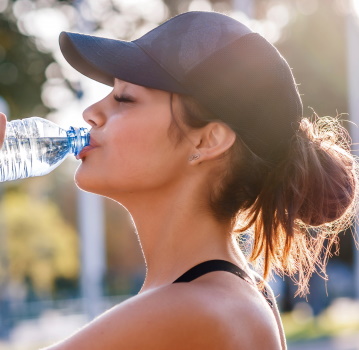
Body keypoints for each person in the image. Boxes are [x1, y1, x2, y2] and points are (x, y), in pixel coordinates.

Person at [1, 11, 357, 350]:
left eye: (124, 98)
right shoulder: (215, 294)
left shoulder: (199, 308)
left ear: (207, 141)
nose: (90, 113)